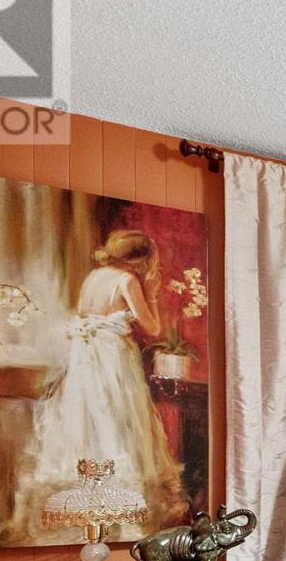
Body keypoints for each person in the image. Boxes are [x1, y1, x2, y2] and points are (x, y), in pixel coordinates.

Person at [16, 230, 186, 539]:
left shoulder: (94, 278)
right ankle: (118, 500)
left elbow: (84, 315)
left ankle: (92, 498)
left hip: (85, 355)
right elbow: (153, 326)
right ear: (139, 259)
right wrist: (152, 292)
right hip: (112, 356)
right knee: (118, 418)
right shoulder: (126, 280)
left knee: (90, 414)